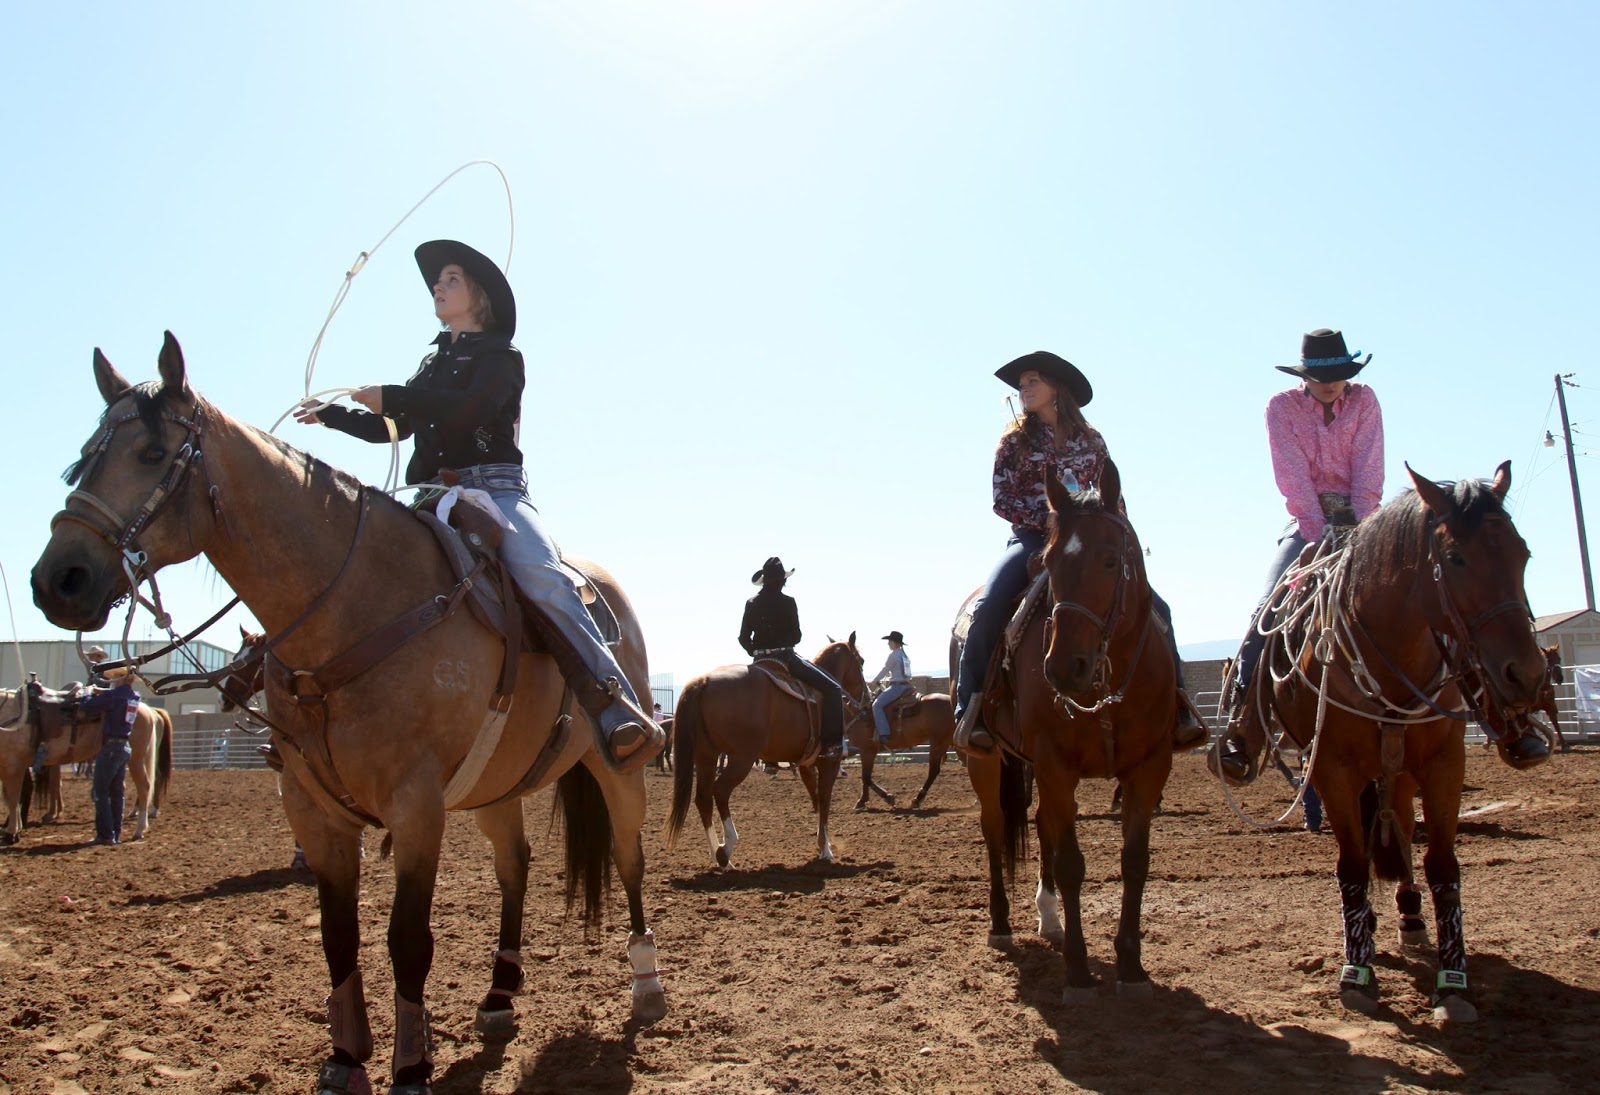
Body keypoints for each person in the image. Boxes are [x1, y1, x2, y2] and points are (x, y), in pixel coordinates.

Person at [294, 240, 663, 772]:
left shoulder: (502, 358)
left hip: (495, 492)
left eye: (451, 279)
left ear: (479, 297)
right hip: (428, 494)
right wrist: (331, 415)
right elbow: (393, 429)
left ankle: (614, 707)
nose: (438, 287)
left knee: (542, 576)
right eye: (437, 281)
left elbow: (471, 411)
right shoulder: (432, 363)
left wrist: (394, 396)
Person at [954, 351, 1207, 755]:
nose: (1024, 389)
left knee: (1158, 609)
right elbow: (1002, 499)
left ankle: (1178, 708)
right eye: (1022, 384)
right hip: (1033, 540)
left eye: (1033, 381)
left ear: (1056, 387)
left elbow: (1113, 499)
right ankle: (972, 710)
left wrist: (1115, 535)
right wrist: (1050, 520)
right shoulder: (1014, 442)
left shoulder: (1091, 440)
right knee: (987, 607)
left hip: (1090, 544)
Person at [1216, 329, 1395, 780]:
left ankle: (1473, 708)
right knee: (1268, 607)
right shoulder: (1281, 408)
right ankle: (1243, 727)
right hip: (1307, 523)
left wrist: (1358, 532)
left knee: (1413, 592)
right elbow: (1293, 478)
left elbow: (1369, 472)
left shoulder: (1365, 401)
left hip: (1364, 522)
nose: (1330, 383)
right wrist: (1320, 536)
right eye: (1321, 376)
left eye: (1338, 374)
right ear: (1305, 376)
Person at [738, 557, 844, 761]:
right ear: (782, 580)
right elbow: (796, 636)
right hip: (785, 658)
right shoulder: (788, 602)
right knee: (833, 689)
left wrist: (756, 652)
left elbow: (743, 638)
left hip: (759, 662)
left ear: (764, 580)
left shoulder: (751, 603)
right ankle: (832, 744)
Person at [76, 667, 141, 845]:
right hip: (124, 747)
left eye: (114, 678)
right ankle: (115, 833)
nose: (112, 681)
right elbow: (117, 697)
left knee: (100, 791)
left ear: (120, 678)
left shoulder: (114, 696)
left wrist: (87, 692)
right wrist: (103, 692)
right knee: (117, 793)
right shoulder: (134, 697)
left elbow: (87, 705)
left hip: (111, 747)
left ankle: (105, 834)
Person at [870, 631, 913, 746]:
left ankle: (884, 733)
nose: (888, 643)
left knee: (876, 705)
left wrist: (875, 680)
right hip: (907, 686)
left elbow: (885, 669)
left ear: (895, 642)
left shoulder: (893, 655)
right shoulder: (904, 656)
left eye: (889, 641)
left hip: (897, 687)